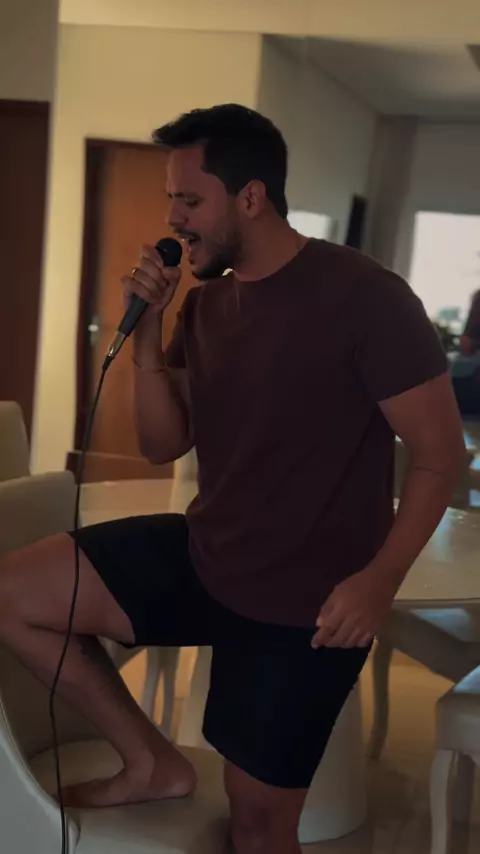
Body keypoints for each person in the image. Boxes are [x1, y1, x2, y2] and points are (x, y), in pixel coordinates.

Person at [0, 104, 464, 854]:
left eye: (189, 199)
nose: (173, 219)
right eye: (170, 199)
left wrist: (379, 582)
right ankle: (151, 762)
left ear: (250, 197)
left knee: (258, 826)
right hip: (207, 553)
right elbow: (162, 444)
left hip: (307, 601)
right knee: (14, 593)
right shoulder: (207, 305)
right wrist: (147, 332)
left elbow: (442, 457)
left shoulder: (366, 296)